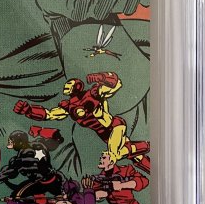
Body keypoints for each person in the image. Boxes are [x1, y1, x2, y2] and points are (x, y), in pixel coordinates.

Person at [14, 71, 150, 173]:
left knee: (113, 155)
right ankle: (148, 152)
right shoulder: (68, 106)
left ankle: (146, 146)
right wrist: (28, 111)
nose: (66, 85)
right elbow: (49, 114)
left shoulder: (92, 94)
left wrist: (102, 77)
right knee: (135, 156)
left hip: (114, 126)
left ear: (77, 86)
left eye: (70, 83)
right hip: (103, 134)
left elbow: (116, 84)